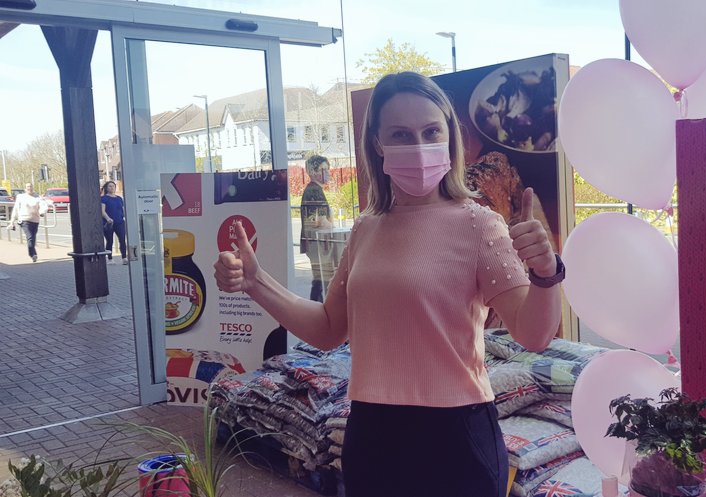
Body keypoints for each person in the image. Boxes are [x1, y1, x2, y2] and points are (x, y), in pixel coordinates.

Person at [214, 72, 565, 497]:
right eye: (400, 134)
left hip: (456, 436)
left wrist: (546, 272)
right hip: (373, 433)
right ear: (378, 143)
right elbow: (327, 329)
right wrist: (256, 282)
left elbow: (534, 333)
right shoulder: (366, 228)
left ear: (450, 135)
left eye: (431, 131)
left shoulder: (478, 223)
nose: (418, 146)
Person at [299, 155, 333, 302]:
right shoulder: (314, 191)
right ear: (313, 172)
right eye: (322, 169)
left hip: (315, 243)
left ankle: (315, 308)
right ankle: (315, 308)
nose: (327, 172)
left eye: (327, 169)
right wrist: (334, 229)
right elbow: (317, 220)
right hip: (317, 244)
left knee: (318, 281)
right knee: (320, 280)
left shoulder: (314, 190)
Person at [10, 182, 48, 263]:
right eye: (27, 187)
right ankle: (33, 254)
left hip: (35, 220)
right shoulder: (21, 197)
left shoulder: (37, 197)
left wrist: (42, 212)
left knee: (33, 238)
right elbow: (16, 209)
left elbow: (43, 206)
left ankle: (32, 253)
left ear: (32, 188)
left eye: (30, 186)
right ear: (25, 189)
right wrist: (12, 221)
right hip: (24, 220)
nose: (29, 188)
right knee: (30, 237)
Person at [100, 181, 127, 265]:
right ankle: (110, 258)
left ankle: (124, 258)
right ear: (106, 188)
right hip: (108, 223)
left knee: (122, 239)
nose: (112, 188)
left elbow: (122, 209)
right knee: (109, 241)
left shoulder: (119, 198)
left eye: (113, 186)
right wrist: (108, 218)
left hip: (119, 222)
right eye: (110, 186)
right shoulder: (104, 198)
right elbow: (102, 211)